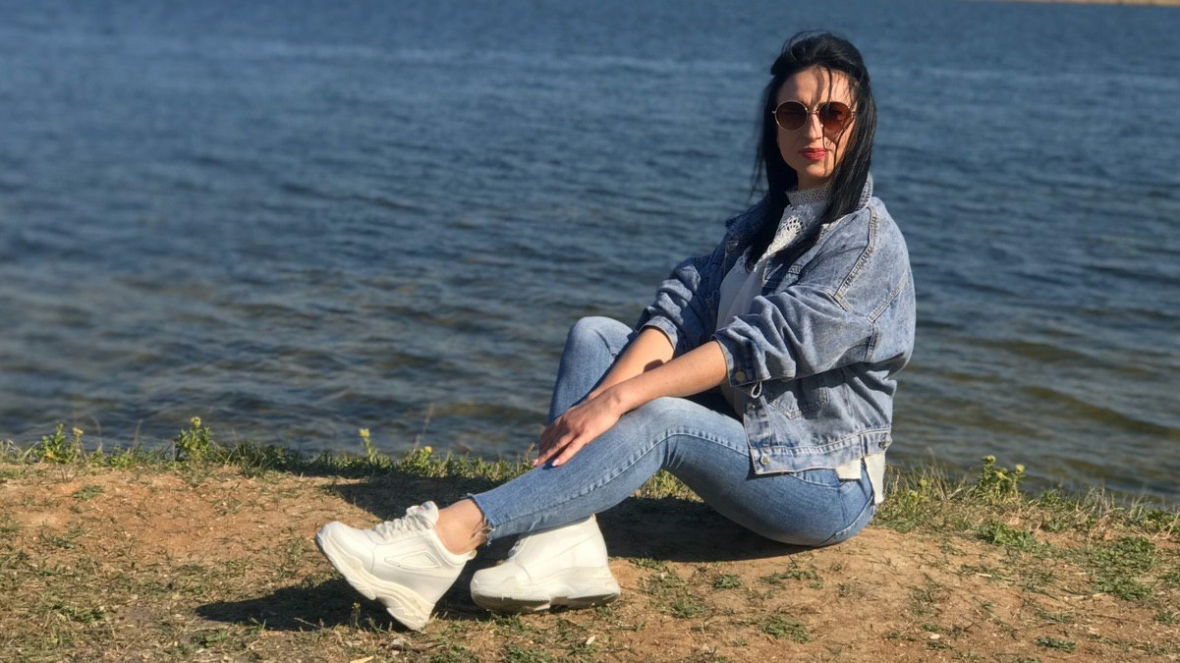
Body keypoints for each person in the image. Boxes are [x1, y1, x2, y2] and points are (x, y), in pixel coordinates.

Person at [315, 30, 916, 631]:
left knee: (660, 416)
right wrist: (603, 399)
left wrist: (617, 400)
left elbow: (757, 346)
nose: (813, 130)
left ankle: (447, 538)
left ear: (860, 122)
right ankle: (562, 546)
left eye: (833, 114)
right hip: (753, 434)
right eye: (794, 113)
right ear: (775, 126)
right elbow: (682, 312)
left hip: (822, 485)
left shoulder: (867, 246)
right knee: (596, 337)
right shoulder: (765, 224)